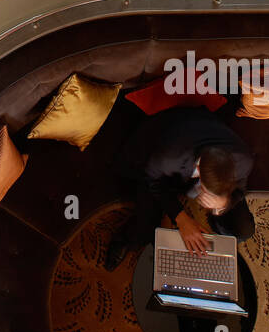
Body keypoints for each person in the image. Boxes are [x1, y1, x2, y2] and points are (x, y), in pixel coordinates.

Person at [104, 106, 255, 271]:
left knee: (243, 230)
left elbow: (239, 188)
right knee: (145, 229)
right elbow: (153, 182)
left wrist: (224, 203)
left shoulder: (243, 160)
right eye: (205, 191)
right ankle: (125, 240)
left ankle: (216, 223)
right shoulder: (168, 157)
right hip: (159, 166)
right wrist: (181, 218)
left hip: (204, 131)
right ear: (199, 170)